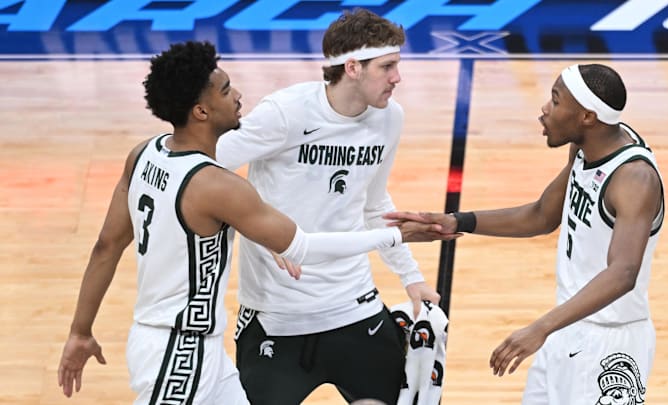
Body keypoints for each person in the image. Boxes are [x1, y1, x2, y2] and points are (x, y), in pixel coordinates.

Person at [56, 40, 456, 404]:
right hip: (176, 347)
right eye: (226, 89)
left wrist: (80, 330)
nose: (239, 94)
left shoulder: (144, 153)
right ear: (201, 111)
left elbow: (106, 246)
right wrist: (390, 237)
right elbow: (305, 248)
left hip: (205, 350)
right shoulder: (216, 185)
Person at [386, 63, 665, 404]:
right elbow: (542, 215)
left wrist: (540, 328)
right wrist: (458, 222)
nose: (545, 110)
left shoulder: (634, 179)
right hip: (566, 329)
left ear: (587, 117)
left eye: (556, 101)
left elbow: (623, 273)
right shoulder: (587, 148)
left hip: (609, 344)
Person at [215, 8, 441, 404]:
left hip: (353, 307)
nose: (398, 78)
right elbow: (203, 170)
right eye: (387, 66)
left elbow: (375, 203)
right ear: (352, 68)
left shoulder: (389, 119)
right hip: (276, 319)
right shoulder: (285, 113)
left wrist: (411, 277)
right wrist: (259, 227)